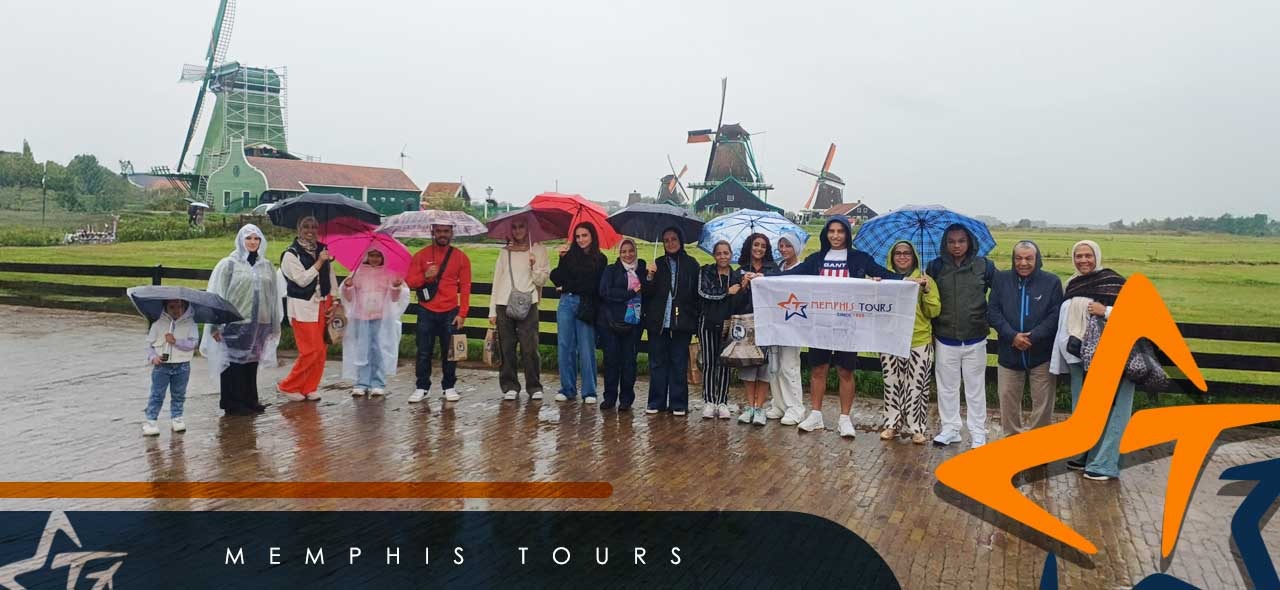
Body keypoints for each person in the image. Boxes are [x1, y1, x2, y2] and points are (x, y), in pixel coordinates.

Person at [781, 216, 904, 437]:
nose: (836, 235)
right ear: (826, 234)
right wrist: (763, 277)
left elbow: (885, 275)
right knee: (818, 369)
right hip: (819, 323)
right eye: (832, 231)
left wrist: (907, 281)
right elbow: (790, 276)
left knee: (845, 370)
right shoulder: (816, 259)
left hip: (848, 324)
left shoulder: (860, 259)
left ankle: (845, 418)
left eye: (840, 231)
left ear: (847, 234)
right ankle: (816, 415)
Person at [1050, 240, 1130, 482]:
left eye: (1088, 255)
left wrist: (1106, 311)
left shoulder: (1113, 282)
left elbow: (1137, 312)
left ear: (1097, 256)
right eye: (1078, 256)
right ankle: (1087, 454)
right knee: (1084, 409)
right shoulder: (1072, 283)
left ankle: (1105, 463)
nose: (1083, 260)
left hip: (1111, 356)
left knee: (1112, 409)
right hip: (1079, 357)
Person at [926, 223, 997, 448]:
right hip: (945, 336)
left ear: (970, 242)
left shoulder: (984, 265)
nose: (956, 246)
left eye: (961, 241)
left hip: (975, 337)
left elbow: (998, 294)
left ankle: (978, 431)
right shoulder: (935, 266)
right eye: (952, 241)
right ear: (945, 243)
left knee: (975, 387)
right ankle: (950, 429)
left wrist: (987, 317)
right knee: (947, 387)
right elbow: (929, 297)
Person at [202, 224, 281, 416]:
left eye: (256, 238)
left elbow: (273, 296)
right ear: (240, 240)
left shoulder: (266, 266)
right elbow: (218, 294)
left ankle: (250, 399)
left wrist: (273, 322)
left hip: (260, 322)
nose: (252, 242)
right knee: (233, 363)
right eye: (248, 238)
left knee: (251, 362)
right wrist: (215, 324)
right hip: (235, 322)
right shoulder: (229, 264)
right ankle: (232, 402)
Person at [988, 240, 1063, 437]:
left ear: (1037, 259)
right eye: (1018, 258)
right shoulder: (1001, 279)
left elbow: (1055, 315)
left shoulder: (1052, 282)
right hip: (1009, 352)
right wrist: (1012, 336)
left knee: (1044, 401)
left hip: (1041, 354)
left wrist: (1034, 336)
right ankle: (1013, 438)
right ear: (1013, 260)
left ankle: (1037, 441)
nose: (1023, 263)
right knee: (1007, 399)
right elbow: (993, 311)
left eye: (1028, 258)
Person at [878, 241, 941, 444]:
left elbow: (934, 311)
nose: (902, 256)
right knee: (891, 384)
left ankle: (917, 428)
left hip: (918, 340)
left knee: (917, 387)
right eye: (898, 253)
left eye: (907, 253)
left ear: (913, 256)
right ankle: (892, 424)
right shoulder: (885, 280)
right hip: (890, 340)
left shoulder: (925, 280)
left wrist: (926, 290)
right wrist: (876, 286)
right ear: (892, 257)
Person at [405, 223, 473, 403]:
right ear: (433, 232)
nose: (442, 234)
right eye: (439, 231)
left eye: (446, 231)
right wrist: (426, 276)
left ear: (451, 233)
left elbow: (465, 287)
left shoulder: (461, 257)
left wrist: (462, 313)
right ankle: (422, 387)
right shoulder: (421, 255)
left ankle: (449, 386)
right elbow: (409, 282)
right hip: (426, 309)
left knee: (450, 351)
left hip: (450, 311)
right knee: (423, 350)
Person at [277, 215, 340, 402]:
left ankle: (309, 386)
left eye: (314, 226)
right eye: (306, 226)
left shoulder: (322, 249)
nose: (310, 230)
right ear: (298, 229)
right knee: (310, 350)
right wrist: (319, 262)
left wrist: (335, 299)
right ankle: (288, 385)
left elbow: (330, 275)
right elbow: (302, 280)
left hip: (323, 303)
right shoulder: (290, 254)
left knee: (321, 350)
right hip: (302, 306)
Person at [642, 226, 701, 416]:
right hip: (659, 322)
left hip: (682, 322)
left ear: (680, 241)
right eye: (666, 240)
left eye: (673, 239)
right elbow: (647, 293)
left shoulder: (691, 264)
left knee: (678, 363)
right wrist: (650, 276)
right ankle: (656, 401)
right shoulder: (657, 263)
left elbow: (696, 294)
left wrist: (692, 317)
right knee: (657, 363)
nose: (670, 243)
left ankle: (678, 403)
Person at [490, 219, 551, 401]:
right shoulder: (505, 252)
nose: (518, 231)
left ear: (528, 227)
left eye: (521, 226)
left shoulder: (539, 249)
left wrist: (533, 266)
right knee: (507, 346)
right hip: (504, 302)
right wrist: (492, 310)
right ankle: (510, 385)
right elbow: (497, 280)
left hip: (528, 302)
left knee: (530, 347)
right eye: (514, 227)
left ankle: (534, 386)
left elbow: (542, 280)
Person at [341, 247, 410, 397]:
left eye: (378, 256)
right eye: (371, 255)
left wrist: (396, 287)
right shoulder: (358, 273)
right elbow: (349, 297)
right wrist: (348, 286)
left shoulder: (389, 274)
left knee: (378, 349)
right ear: (366, 256)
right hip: (361, 317)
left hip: (380, 319)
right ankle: (362, 382)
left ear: (383, 257)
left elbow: (394, 299)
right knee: (362, 349)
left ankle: (378, 382)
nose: (374, 259)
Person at [549, 222, 607, 403]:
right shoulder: (569, 255)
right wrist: (561, 259)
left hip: (586, 305)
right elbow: (556, 277)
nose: (581, 239)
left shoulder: (600, 259)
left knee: (586, 348)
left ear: (592, 236)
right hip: (566, 303)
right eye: (578, 236)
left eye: (584, 235)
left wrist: (567, 286)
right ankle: (567, 388)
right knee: (565, 346)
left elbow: (593, 285)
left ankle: (589, 391)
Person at [597, 238, 647, 411]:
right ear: (619, 253)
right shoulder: (611, 270)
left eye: (631, 250)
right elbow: (605, 292)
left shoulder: (642, 270)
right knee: (611, 361)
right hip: (611, 322)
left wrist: (649, 278)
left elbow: (649, 290)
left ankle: (626, 398)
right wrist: (630, 293)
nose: (628, 254)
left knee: (629, 362)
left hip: (633, 323)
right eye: (624, 251)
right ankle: (609, 397)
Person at [696, 240, 742, 420]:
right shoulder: (706, 271)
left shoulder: (736, 275)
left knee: (724, 363)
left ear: (731, 255)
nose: (723, 256)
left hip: (727, 324)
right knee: (708, 363)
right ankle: (709, 400)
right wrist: (726, 292)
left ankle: (722, 401)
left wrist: (744, 286)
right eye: (719, 253)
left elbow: (739, 300)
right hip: (708, 322)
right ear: (714, 255)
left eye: (726, 253)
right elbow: (704, 292)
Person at [735, 233, 776, 426]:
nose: (759, 249)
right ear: (749, 247)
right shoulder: (740, 270)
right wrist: (743, 286)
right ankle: (750, 406)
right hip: (747, 323)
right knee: (748, 366)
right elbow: (734, 302)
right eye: (756, 245)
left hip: (767, 323)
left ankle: (760, 408)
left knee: (764, 367)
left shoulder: (773, 270)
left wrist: (765, 280)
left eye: (763, 246)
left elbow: (778, 293)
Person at [766, 233, 807, 425]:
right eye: (781, 246)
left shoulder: (803, 269)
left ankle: (795, 407)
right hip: (775, 322)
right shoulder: (776, 268)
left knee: (789, 365)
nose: (783, 249)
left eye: (788, 246)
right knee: (774, 365)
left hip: (794, 323)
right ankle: (779, 403)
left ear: (796, 248)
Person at [141, 299, 198, 436]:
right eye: (172, 307)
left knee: (179, 393)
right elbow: (149, 345)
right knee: (157, 394)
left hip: (182, 365)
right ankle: (151, 420)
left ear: (185, 307)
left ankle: (177, 418)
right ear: (165, 308)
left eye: (180, 306)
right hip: (162, 366)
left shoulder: (190, 324)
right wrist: (153, 357)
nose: (176, 310)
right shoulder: (158, 324)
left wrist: (176, 341)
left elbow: (193, 343)